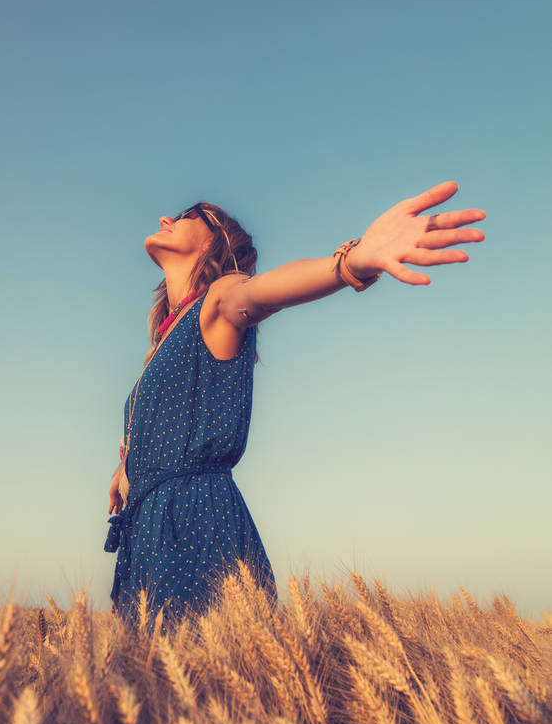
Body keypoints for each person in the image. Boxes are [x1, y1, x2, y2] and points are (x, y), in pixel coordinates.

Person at [105, 180, 486, 634]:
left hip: (193, 523)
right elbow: (159, 420)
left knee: (212, 687)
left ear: (217, 242)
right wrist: (128, 467)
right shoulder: (163, 341)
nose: (168, 217)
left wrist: (353, 261)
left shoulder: (221, 298)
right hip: (148, 526)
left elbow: (263, 292)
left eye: (190, 213)